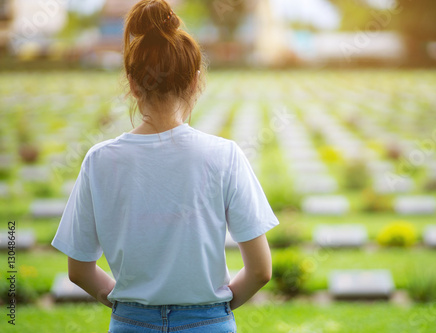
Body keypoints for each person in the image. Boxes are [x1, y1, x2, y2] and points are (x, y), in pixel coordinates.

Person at [51, 0, 279, 331]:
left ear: (132, 84)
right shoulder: (225, 155)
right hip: (209, 322)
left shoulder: (99, 160)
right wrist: (217, 311)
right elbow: (260, 270)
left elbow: (79, 269)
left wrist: (128, 307)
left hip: (131, 322)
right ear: (194, 82)